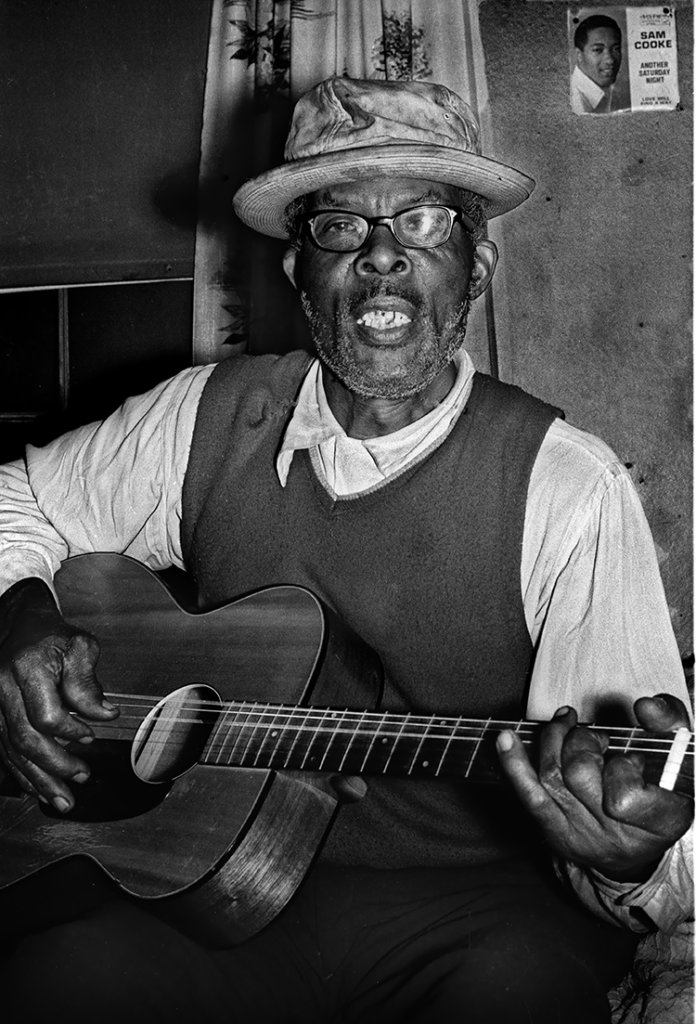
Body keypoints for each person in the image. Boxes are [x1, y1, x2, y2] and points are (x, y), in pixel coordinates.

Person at [0, 76, 692, 1023]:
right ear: (298, 271)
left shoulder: (568, 486)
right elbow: (16, 502)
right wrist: (18, 617)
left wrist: (635, 857)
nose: (380, 258)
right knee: (56, 981)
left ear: (477, 267)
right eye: (340, 227)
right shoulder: (201, 416)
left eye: (422, 224)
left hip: (479, 914)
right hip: (221, 894)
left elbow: (645, 801)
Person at [571, 14, 630, 114]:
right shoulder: (576, 105)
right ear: (579, 55)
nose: (610, 60)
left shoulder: (601, 89)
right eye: (598, 50)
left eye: (616, 49)